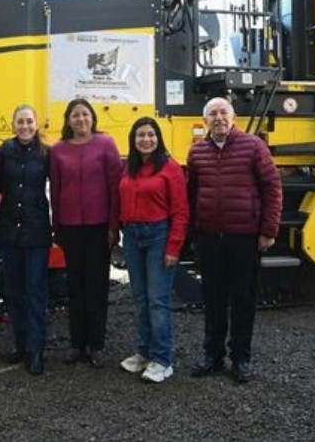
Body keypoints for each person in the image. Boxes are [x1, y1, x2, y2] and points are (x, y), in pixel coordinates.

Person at [186, 97, 282, 384]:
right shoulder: (196, 153)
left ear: (233, 117)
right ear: (205, 122)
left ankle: (240, 358)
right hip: (209, 238)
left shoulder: (254, 147)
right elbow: (191, 195)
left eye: (223, 112)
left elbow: (272, 187)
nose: (218, 118)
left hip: (245, 238)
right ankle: (213, 356)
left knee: (243, 300)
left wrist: (268, 230)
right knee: (213, 299)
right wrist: (194, 234)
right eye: (212, 114)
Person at [49, 98, 121, 368]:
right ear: (68, 120)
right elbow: (55, 192)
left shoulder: (106, 144)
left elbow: (115, 187)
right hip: (69, 227)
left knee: (96, 286)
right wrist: (57, 227)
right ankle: (76, 343)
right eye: (75, 115)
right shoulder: (57, 150)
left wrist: (114, 226)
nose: (80, 119)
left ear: (93, 118)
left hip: (99, 227)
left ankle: (96, 344)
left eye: (85, 114)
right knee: (74, 287)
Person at [117, 117, 189, 383]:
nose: (145, 139)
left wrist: (173, 247)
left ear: (158, 138)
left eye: (150, 135)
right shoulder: (129, 168)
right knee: (140, 298)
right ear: (133, 140)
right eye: (140, 135)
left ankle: (162, 359)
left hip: (159, 236)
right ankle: (144, 352)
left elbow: (181, 211)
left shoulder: (170, 168)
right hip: (133, 236)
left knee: (158, 300)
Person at [0, 104, 52, 375]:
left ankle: (37, 349)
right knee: (14, 292)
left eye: (29, 121)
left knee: (35, 292)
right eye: (20, 121)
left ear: (36, 124)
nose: (25, 126)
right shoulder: (4, 151)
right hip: (9, 233)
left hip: (37, 231)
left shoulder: (46, 153)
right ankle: (20, 345)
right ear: (13, 124)